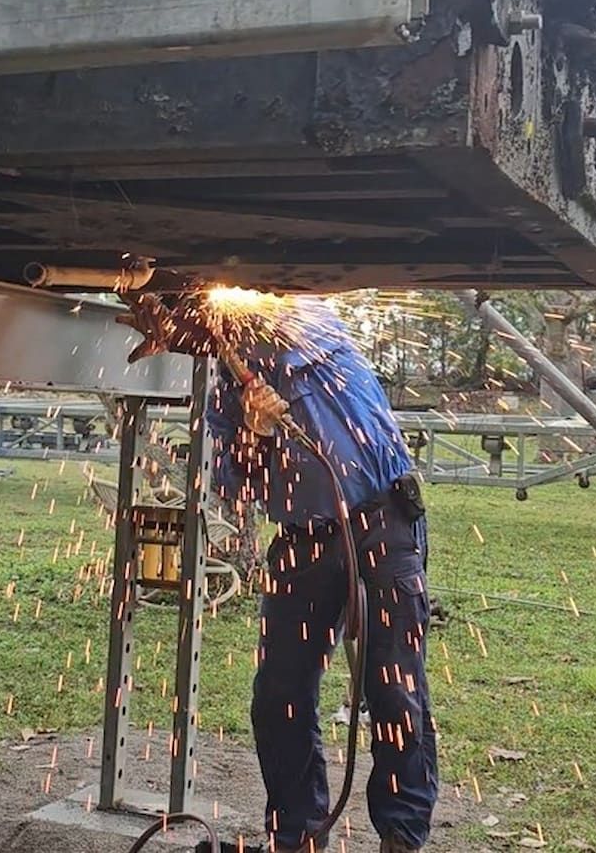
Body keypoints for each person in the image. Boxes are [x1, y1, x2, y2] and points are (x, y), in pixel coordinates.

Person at [119, 293, 437, 853]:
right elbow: (234, 488)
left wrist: (211, 339)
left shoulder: (312, 324)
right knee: (279, 694)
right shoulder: (225, 397)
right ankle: (295, 837)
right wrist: (254, 432)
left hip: (382, 523)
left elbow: (286, 340)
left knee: (392, 687)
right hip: (302, 542)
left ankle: (402, 837)